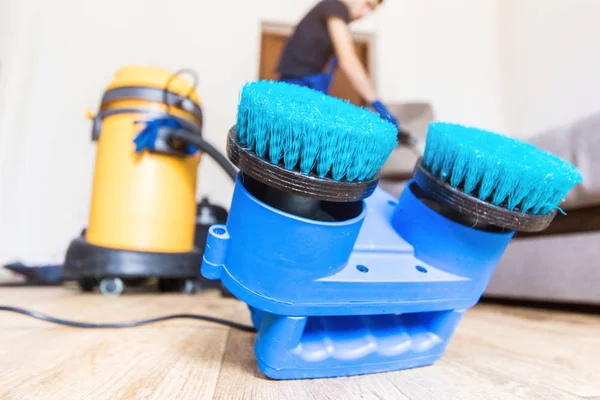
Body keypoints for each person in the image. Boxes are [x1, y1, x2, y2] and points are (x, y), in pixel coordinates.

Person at [277, 0, 399, 130]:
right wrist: (377, 104)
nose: (366, 13)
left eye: (371, 10)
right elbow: (348, 60)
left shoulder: (329, 11)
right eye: (367, 4)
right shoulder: (336, 6)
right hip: (298, 87)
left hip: (306, 87)